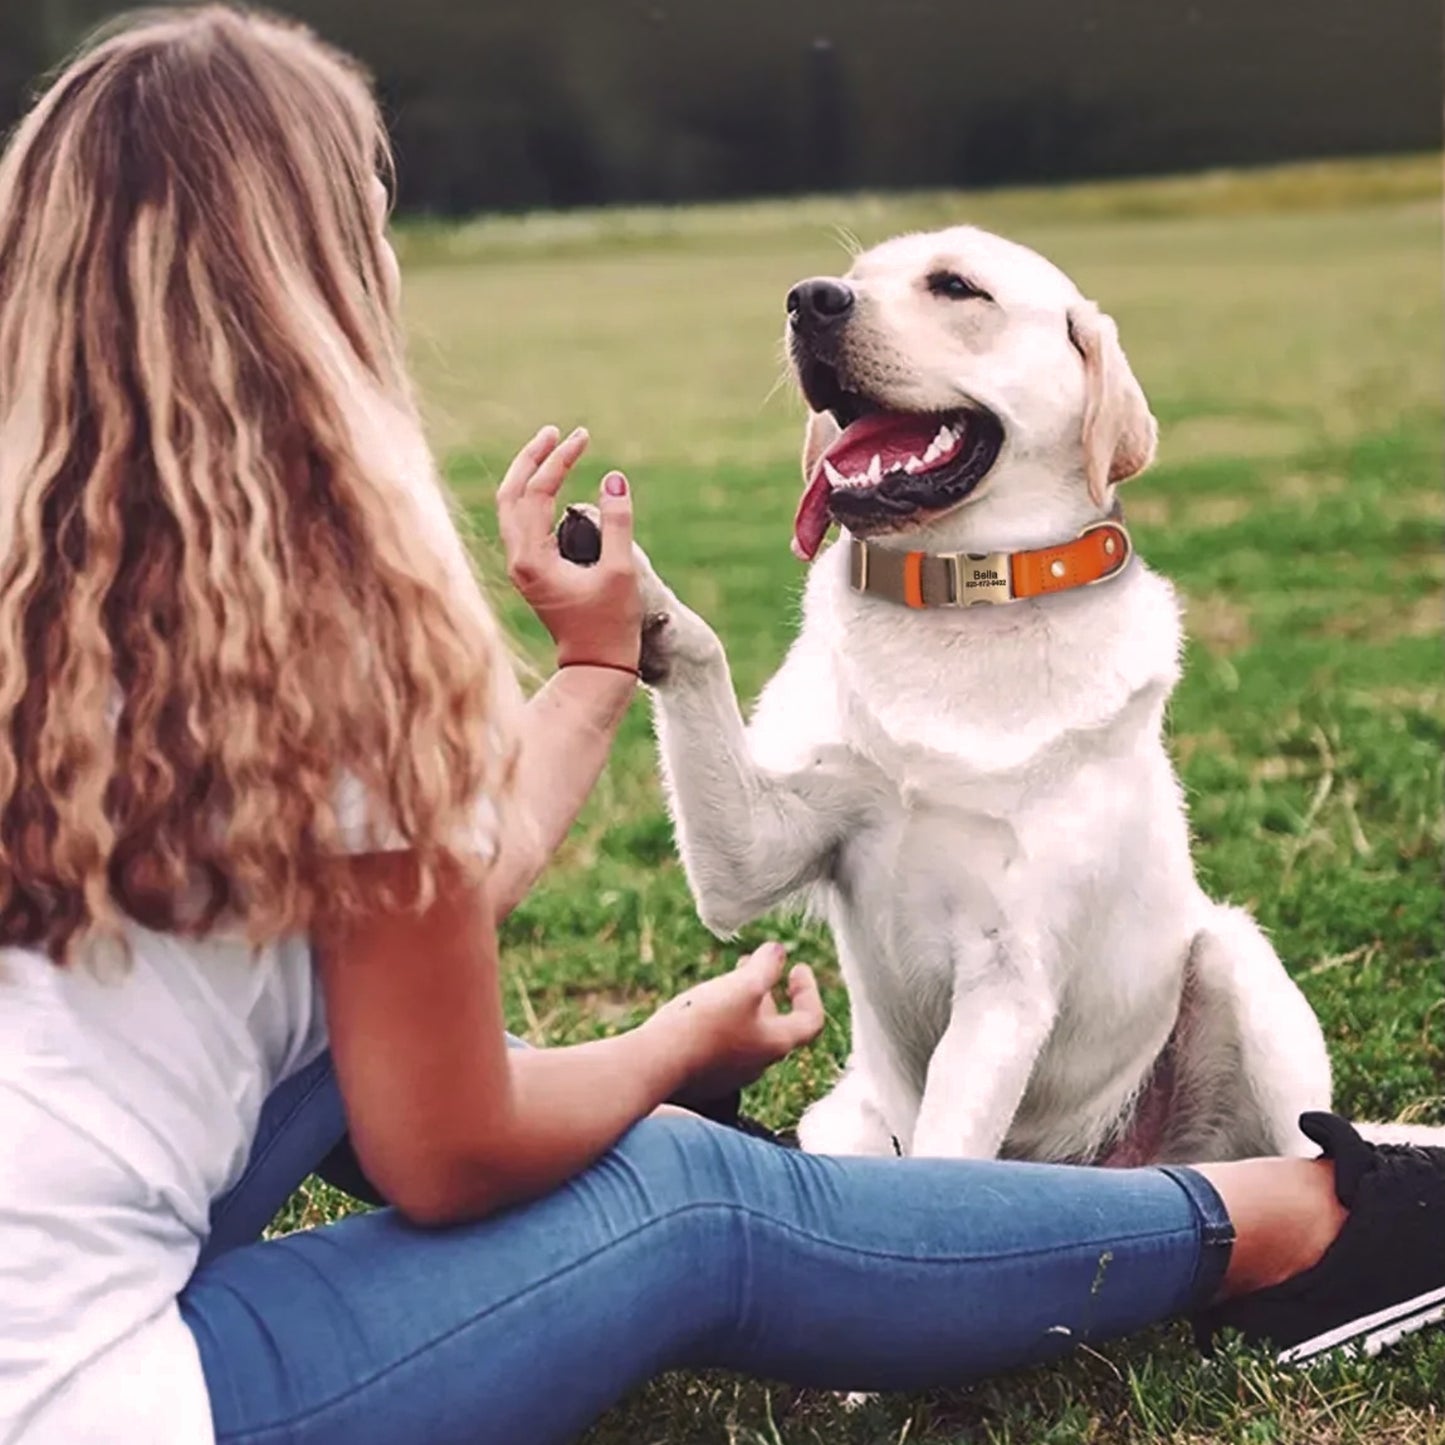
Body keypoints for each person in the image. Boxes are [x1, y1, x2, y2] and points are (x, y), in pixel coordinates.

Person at [0, 9, 1440, 1445]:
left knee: (326, 1057)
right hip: (99, 1394)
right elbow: (440, 1145)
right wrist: (666, 1049)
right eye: (374, 227)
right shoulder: (307, 622)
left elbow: (386, 928)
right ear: (307, 280)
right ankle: (1288, 1223)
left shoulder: (57, 604)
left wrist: (591, 665)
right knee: (692, 1192)